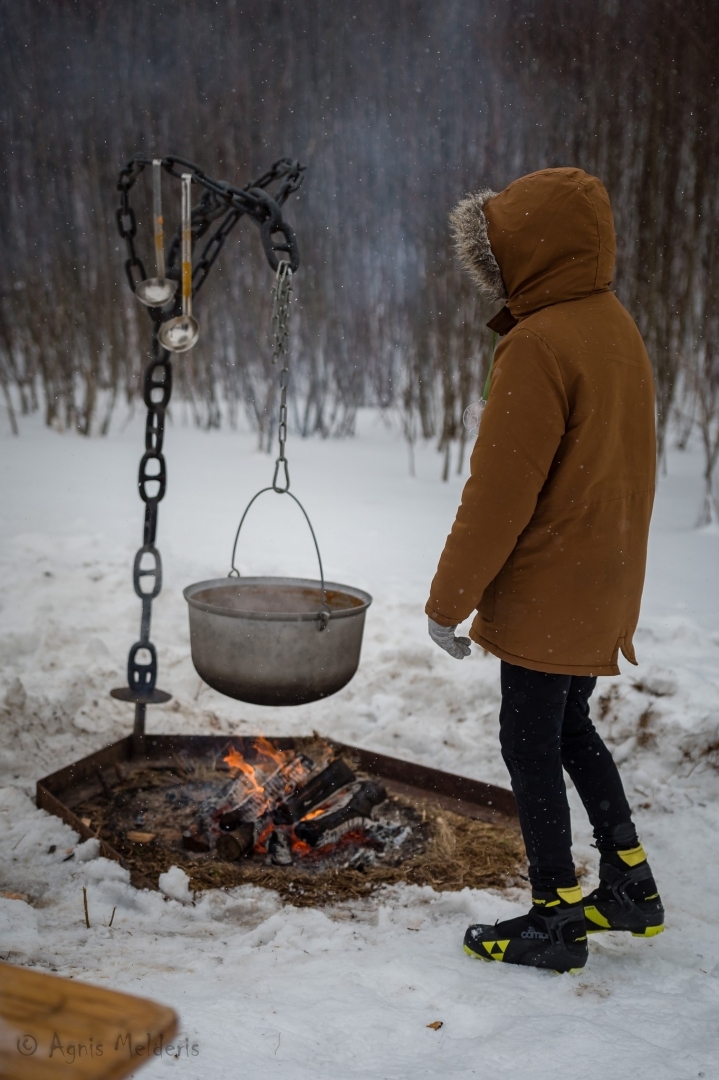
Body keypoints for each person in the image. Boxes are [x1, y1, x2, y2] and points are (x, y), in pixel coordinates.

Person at [426, 167, 664, 973]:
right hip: (604, 574)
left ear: (526, 253)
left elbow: (497, 494)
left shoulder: (538, 343)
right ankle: (627, 883)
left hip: (550, 582)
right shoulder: (612, 324)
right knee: (567, 728)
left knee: (527, 742)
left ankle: (552, 917)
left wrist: (446, 601)